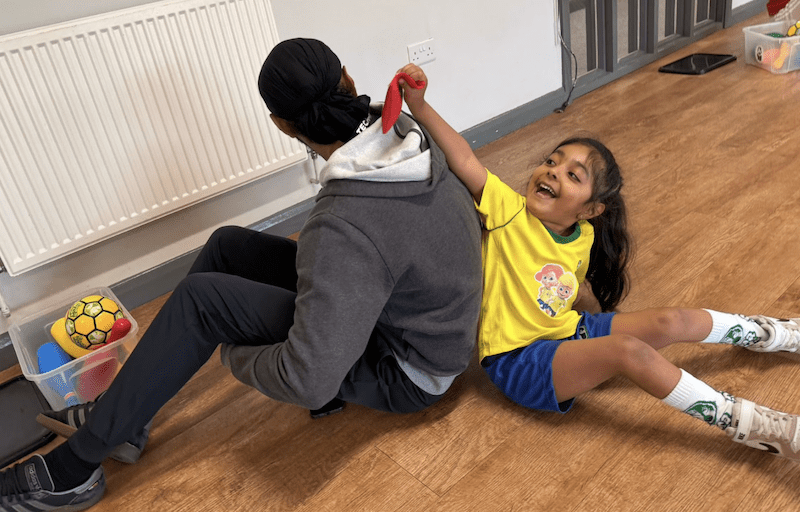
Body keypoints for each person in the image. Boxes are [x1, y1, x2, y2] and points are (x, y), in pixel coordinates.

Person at [0, 40, 482, 511]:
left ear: (281, 124)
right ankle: (122, 419)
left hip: (409, 370)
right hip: (416, 314)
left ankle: (74, 470)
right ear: (349, 80)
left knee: (202, 304)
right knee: (228, 246)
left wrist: (237, 354)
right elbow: (366, 252)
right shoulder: (404, 130)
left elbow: (308, 381)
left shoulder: (343, 222)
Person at [398, 63, 800, 461]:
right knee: (627, 351)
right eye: (551, 162)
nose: (552, 173)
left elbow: (571, 293)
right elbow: (464, 157)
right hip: (518, 359)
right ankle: (749, 425)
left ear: (590, 210)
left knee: (672, 320)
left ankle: (769, 334)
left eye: (573, 175)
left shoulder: (583, 235)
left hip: (569, 331)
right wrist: (420, 105)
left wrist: (597, 314)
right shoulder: (507, 210)